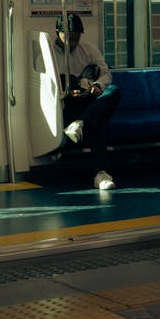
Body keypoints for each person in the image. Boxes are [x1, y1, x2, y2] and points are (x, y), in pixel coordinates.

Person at [54, 12, 122, 190]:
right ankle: (101, 173)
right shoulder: (48, 56)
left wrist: (97, 86)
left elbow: (106, 74)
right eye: (68, 38)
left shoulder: (89, 49)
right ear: (57, 32)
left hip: (90, 100)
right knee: (97, 120)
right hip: (67, 103)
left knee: (114, 91)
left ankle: (80, 123)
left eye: (76, 39)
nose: (73, 43)